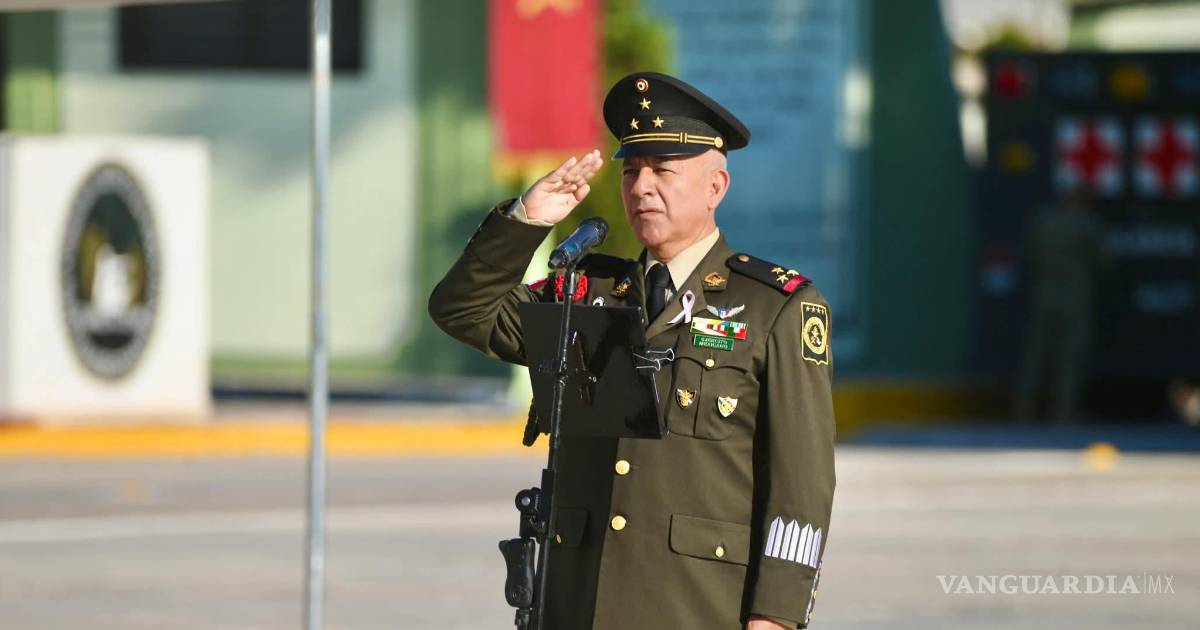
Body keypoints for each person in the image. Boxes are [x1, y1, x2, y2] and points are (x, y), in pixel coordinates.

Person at [429, 72, 835, 629]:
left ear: (716, 187)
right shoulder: (584, 293)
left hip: (699, 608)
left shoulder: (775, 308)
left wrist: (777, 616)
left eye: (662, 170)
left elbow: (801, 483)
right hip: (577, 606)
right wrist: (527, 220)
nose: (642, 187)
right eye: (630, 171)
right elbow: (463, 311)